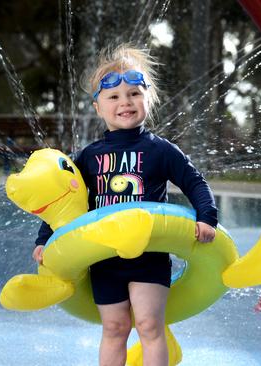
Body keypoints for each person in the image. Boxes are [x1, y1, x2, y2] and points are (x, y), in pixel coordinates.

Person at [33, 44, 217, 366]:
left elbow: (195, 182)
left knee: (149, 325)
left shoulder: (161, 150)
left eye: (133, 94)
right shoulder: (89, 156)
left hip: (149, 254)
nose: (125, 102)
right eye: (114, 97)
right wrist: (45, 238)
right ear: (98, 107)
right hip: (104, 258)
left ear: (148, 99)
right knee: (115, 327)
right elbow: (67, 200)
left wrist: (207, 217)